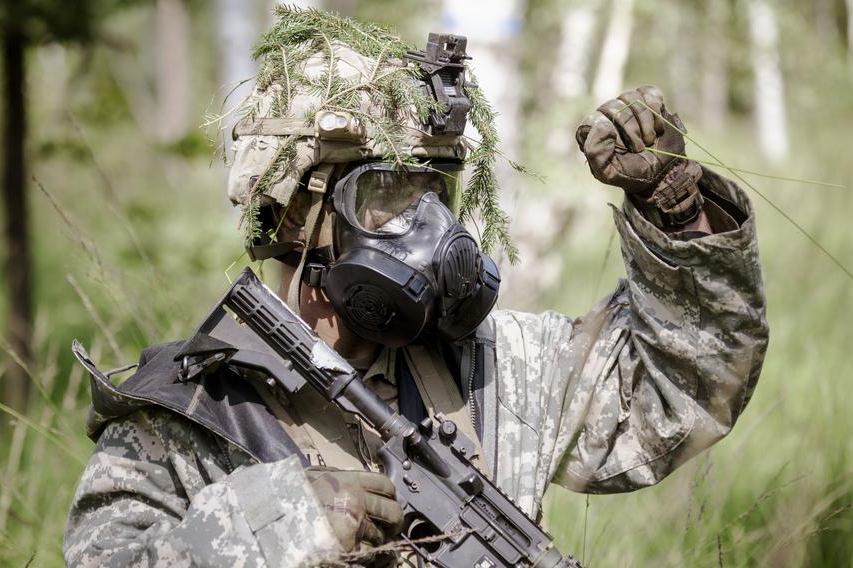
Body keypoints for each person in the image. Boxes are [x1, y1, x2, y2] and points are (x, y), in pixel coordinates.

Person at [63, 10, 768, 568]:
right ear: (299, 213)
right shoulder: (187, 418)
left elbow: (683, 393)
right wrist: (272, 528)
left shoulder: (496, 370)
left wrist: (679, 212)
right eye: (390, 192)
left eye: (436, 192)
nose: (428, 229)